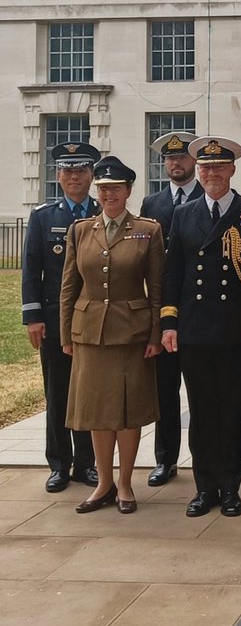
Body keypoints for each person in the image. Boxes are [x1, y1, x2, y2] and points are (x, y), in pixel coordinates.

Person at [161, 137, 241, 519]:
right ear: (199, 170)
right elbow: (173, 272)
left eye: (219, 167)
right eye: (206, 168)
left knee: (231, 411)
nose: (212, 174)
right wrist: (169, 322)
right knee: (201, 411)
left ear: (232, 170)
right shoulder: (185, 214)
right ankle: (204, 487)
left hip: (234, 330)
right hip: (194, 330)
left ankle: (230, 487)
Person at [60, 155, 165, 515]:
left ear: (128, 191)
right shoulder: (80, 230)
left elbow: (158, 286)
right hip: (89, 333)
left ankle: (124, 483)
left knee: (127, 411)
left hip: (131, 333)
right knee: (97, 411)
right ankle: (103, 482)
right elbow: (69, 286)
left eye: (115, 189)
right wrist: (66, 333)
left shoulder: (148, 231)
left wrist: (155, 334)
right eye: (103, 189)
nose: (109, 195)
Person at [21, 141, 100, 493]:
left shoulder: (103, 212)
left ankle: (86, 463)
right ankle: (59, 463)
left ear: (91, 175)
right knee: (57, 393)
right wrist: (33, 317)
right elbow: (31, 270)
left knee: (89, 393)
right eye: (68, 170)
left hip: (95, 320)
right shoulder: (43, 216)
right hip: (54, 321)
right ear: (58, 175)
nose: (74, 176)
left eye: (81, 170)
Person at [140, 131, 203, 488]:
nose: (176, 163)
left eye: (181, 157)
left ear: (193, 161)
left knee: (199, 391)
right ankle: (166, 459)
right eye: (169, 158)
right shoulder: (153, 204)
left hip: (197, 309)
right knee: (165, 391)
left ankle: (202, 459)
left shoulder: (206, 194)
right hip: (164, 307)